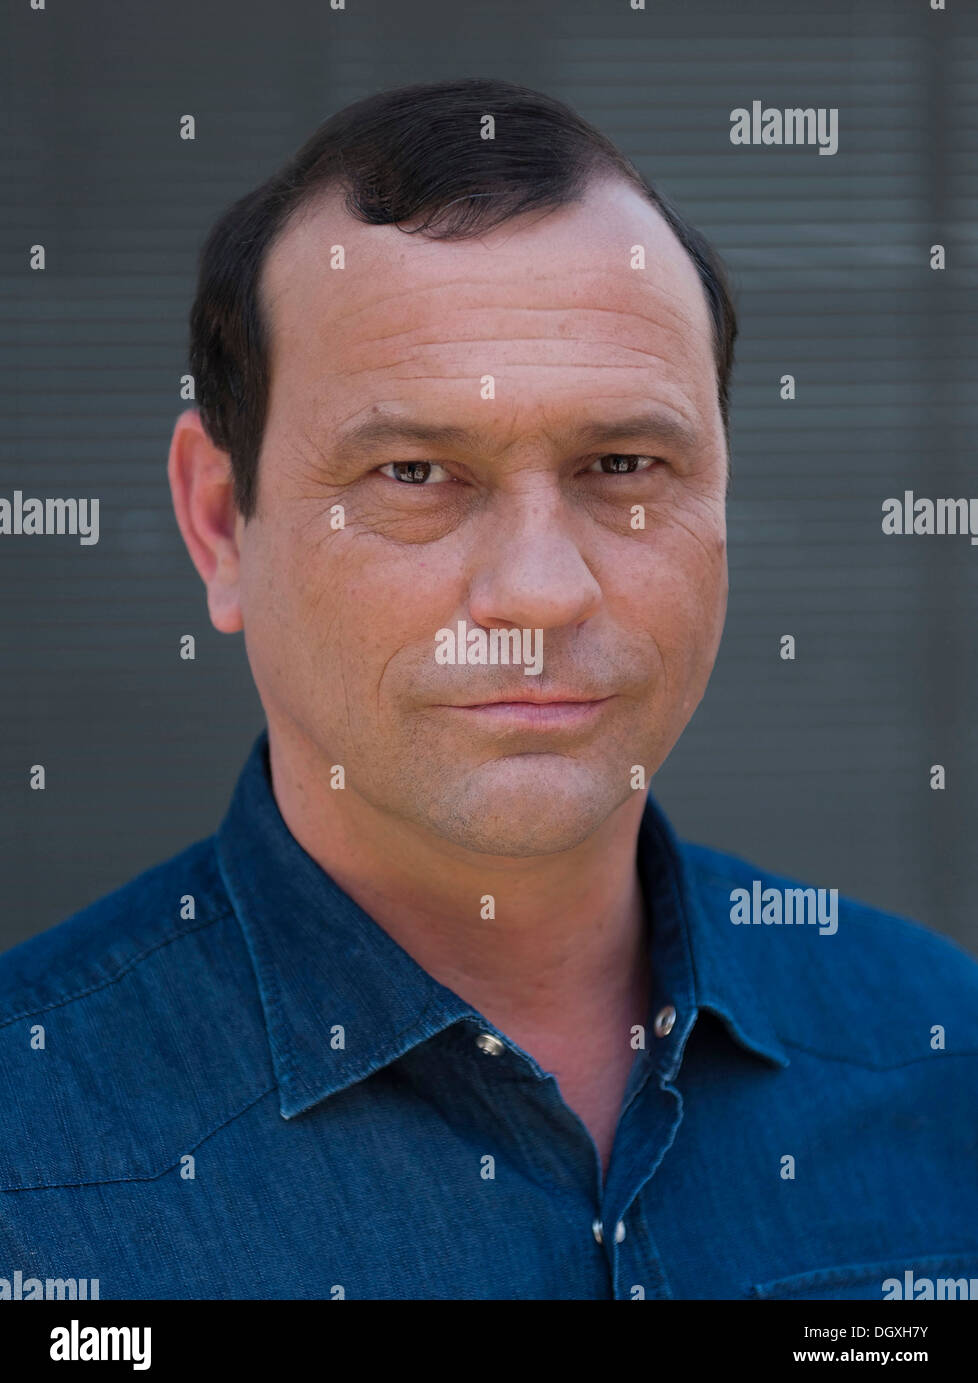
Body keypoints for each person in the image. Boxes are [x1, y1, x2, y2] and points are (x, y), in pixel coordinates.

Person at [1, 78, 976, 1302]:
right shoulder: (28, 1160)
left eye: (622, 463)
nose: (541, 592)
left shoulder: (944, 1055)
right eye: (416, 471)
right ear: (218, 524)